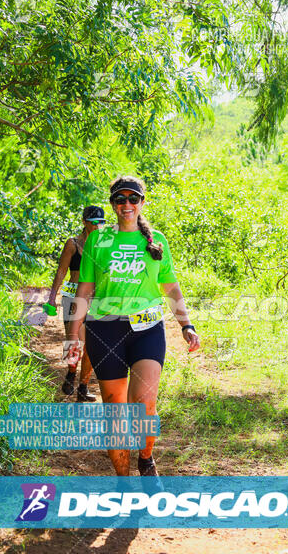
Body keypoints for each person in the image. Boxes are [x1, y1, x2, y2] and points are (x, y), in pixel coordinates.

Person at [65, 175, 200, 476]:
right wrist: (73, 337)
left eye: (133, 198)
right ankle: (124, 484)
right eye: (120, 199)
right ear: (112, 204)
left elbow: (171, 287)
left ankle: (146, 457)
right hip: (104, 328)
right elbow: (84, 291)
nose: (127, 204)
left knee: (145, 403)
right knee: (115, 413)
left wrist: (186, 324)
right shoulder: (99, 240)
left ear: (142, 202)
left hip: (147, 329)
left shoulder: (157, 240)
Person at [47, 205, 106, 402]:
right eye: (94, 222)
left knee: (91, 345)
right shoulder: (73, 244)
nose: (98, 226)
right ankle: (71, 372)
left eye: (101, 222)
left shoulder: (104, 246)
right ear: (84, 222)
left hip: (95, 298)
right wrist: (51, 297)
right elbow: (61, 271)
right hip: (72, 296)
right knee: (74, 340)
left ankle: (83, 387)